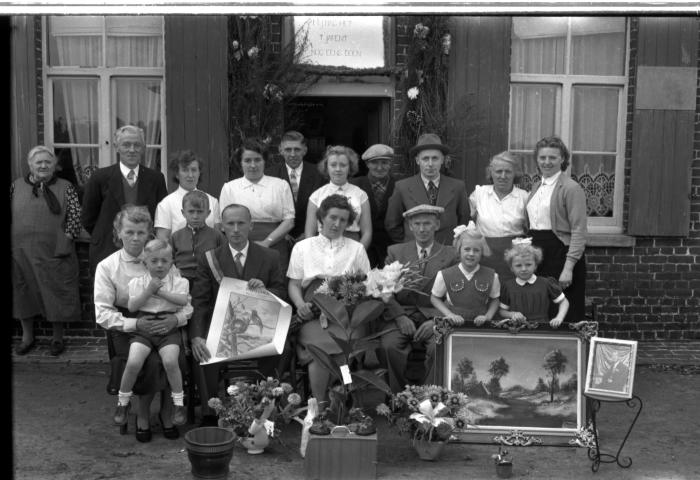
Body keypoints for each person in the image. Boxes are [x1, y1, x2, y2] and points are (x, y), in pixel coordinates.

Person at [94, 205, 190, 442]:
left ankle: (168, 412)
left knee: (173, 358)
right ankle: (143, 414)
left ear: (149, 233)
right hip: (125, 325)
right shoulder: (108, 266)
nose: (135, 238)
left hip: (165, 323)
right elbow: (102, 313)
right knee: (148, 361)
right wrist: (134, 325)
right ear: (118, 232)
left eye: (141, 232)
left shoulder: (162, 260)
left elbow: (184, 302)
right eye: (129, 232)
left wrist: (175, 319)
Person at [190, 203, 287, 426]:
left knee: (283, 348)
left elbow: (282, 293)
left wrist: (265, 290)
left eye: (241, 223)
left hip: (258, 326)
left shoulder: (269, 256)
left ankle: (263, 406)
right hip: (223, 328)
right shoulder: (210, 258)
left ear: (251, 225)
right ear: (222, 226)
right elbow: (200, 301)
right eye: (230, 224)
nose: (235, 229)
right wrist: (196, 336)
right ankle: (210, 413)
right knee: (202, 350)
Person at [289, 194, 373, 404]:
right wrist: (300, 305)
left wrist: (349, 293)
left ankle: (340, 400)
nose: (337, 224)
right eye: (332, 217)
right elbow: (294, 284)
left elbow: (367, 285)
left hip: (347, 314)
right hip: (312, 312)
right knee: (320, 348)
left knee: (343, 349)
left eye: (343, 220)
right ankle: (321, 403)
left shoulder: (357, 249)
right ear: (321, 217)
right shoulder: (302, 247)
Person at [380, 204, 459, 391]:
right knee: (389, 346)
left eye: (427, 223)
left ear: (437, 225)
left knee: (439, 345)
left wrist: (436, 321)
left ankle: (430, 397)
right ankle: (400, 396)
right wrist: (399, 316)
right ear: (410, 226)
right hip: (402, 315)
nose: (422, 229)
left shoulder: (451, 254)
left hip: (434, 315)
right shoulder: (395, 252)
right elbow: (385, 289)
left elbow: (456, 295)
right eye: (417, 224)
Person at [114, 239, 192, 428]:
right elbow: (132, 306)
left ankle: (178, 404)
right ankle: (123, 403)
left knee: (170, 361)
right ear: (145, 263)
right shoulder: (137, 283)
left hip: (168, 328)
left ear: (171, 262)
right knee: (134, 361)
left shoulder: (180, 281)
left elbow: (182, 301)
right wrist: (148, 291)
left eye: (164, 261)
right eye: (154, 261)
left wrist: (162, 292)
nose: (159, 265)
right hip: (144, 327)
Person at [12, 145, 82, 356]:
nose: (43, 165)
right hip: (20, 253)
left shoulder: (66, 186)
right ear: (30, 165)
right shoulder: (15, 186)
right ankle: (27, 338)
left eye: (47, 162)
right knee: (22, 293)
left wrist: (67, 239)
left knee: (56, 293)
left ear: (54, 166)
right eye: (38, 162)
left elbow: (75, 216)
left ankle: (57, 339)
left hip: (54, 252)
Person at [82, 125, 167, 273]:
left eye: (137, 145)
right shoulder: (100, 177)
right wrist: (112, 234)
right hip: (107, 250)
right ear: (116, 147)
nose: (132, 149)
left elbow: (161, 217)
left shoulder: (156, 179)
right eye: (126, 145)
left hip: (146, 253)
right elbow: (88, 219)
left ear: (143, 147)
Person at [526, 136, 587, 323]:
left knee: (563, 310)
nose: (547, 162)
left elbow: (579, 230)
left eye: (552, 157)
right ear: (537, 159)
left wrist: (568, 268)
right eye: (542, 157)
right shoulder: (536, 186)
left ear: (562, 159)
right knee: (541, 308)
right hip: (539, 255)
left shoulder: (571, 188)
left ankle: (566, 352)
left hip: (560, 254)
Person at [219, 139, 295, 269]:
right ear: (240, 163)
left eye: (257, 160)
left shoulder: (280, 185)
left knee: (274, 284)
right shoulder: (229, 188)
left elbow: (289, 221)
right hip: (240, 245)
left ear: (264, 161)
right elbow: (224, 222)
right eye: (247, 160)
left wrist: (267, 242)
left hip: (275, 244)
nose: (253, 165)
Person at [385, 133, 470, 245]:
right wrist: (410, 244)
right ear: (417, 160)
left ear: (442, 160)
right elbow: (392, 224)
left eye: (435, 158)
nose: (430, 164)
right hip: (415, 253)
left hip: (447, 251)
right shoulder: (403, 187)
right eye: (425, 158)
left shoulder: (458, 187)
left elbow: (464, 221)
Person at [469, 151, 529, 281]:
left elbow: (529, 229)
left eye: (508, 171)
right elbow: (468, 222)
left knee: (511, 294)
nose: (503, 176)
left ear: (515, 173)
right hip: (485, 255)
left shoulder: (524, 197)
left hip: (514, 258)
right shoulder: (479, 194)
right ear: (491, 173)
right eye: (498, 171)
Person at [430, 222, 500, 327]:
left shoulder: (492, 276)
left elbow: (495, 299)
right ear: (459, 250)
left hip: (480, 325)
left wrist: (487, 317)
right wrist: (449, 314)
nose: (471, 254)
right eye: (467, 249)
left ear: (482, 252)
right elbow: (434, 298)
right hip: (453, 325)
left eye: (476, 250)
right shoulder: (445, 275)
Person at [304, 145, 372, 249]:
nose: (338, 169)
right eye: (333, 165)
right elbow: (309, 233)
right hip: (323, 246)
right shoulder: (316, 196)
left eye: (343, 165)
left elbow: (367, 232)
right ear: (327, 167)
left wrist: (358, 253)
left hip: (352, 245)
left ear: (350, 167)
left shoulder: (360, 195)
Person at [267, 130, 325, 243]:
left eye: (297, 149)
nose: (292, 154)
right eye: (288, 150)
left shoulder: (319, 174)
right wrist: (281, 232)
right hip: (279, 239)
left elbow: (324, 207)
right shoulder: (269, 175)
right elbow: (266, 208)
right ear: (280, 150)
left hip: (311, 238)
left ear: (305, 150)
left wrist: (310, 232)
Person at [498, 239, 569, 328]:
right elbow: (502, 311)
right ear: (511, 268)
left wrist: (559, 318)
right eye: (518, 265)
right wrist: (512, 314)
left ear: (535, 265)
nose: (523, 269)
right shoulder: (508, 286)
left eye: (528, 264)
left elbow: (564, 302)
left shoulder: (546, 283)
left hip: (542, 329)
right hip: (516, 330)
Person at [154, 150, 219, 241]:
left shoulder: (212, 201)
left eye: (194, 170)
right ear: (177, 174)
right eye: (185, 170)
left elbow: (217, 238)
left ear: (199, 173)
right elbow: (162, 240)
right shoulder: (166, 204)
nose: (190, 175)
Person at [351, 144, 396, 267]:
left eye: (384, 162)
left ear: (390, 163)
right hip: (362, 246)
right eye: (374, 163)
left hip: (391, 248)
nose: (380, 167)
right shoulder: (354, 185)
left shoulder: (399, 185)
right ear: (367, 164)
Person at [170, 190, 226, 287]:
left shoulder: (217, 236)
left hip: (208, 281)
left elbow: (225, 260)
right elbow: (169, 260)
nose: (195, 216)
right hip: (181, 281)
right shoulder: (175, 236)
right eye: (191, 212)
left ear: (208, 213)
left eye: (200, 212)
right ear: (183, 213)